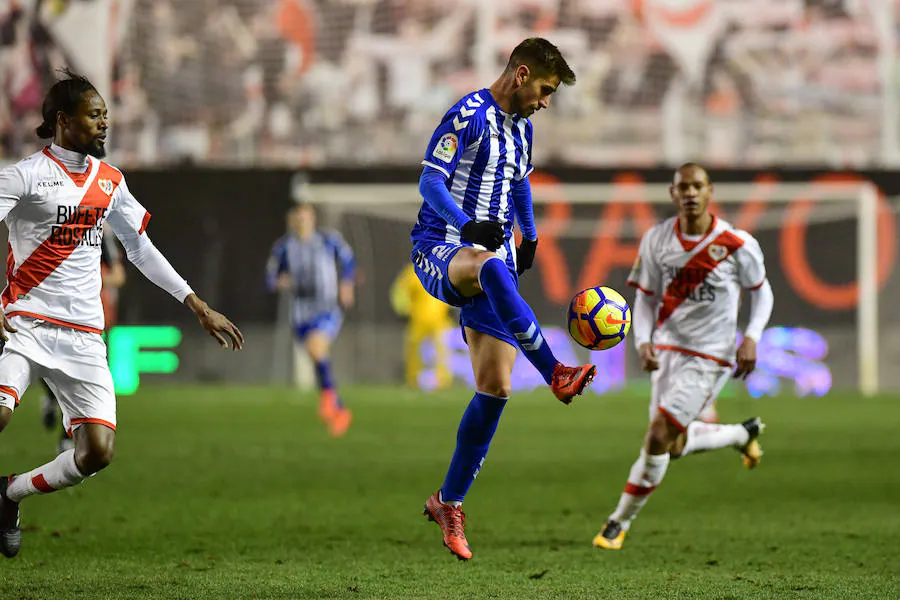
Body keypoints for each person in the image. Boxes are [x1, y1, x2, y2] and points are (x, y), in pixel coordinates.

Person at [0, 70, 243, 559]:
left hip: (86, 337)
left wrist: (196, 304)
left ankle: (8, 494)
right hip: (25, 325)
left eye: (106, 115)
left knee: (97, 454)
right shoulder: (23, 175)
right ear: (64, 121)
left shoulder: (110, 183)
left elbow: (141, 249)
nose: (104, 124)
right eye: (95, 116)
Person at [412, 37, 597, 561]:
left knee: (494, 389)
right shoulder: (467, 114)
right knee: (490, 263)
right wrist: (466, 223)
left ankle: (448, 502)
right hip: (443, 246)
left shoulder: (523, 129)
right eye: (544, 89)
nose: (545, 100)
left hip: (495, 258)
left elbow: (518, 185)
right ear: (520, 74)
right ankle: (557, 371)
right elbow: (430, 183)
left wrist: (531, 234)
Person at [592, 163, 774, 551]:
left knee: (658, 435)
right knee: (671, 446)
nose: (690, 193)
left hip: (711, 357)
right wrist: (642, 342)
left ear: (710, 191)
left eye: (697, 186)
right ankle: (742, 434)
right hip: (667, 351)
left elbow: (762, 293)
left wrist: (753, 338)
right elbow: (643, 298)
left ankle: (617, 522)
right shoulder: (656, 240)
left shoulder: (737, 244)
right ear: (672, 194)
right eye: (682, 187)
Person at [266, 202, 355, 437]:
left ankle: (328, 400)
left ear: (313, 219)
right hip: (300, 313)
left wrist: (346, 283)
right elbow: (270, 276)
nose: (302, 222)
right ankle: (338, 410)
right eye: (299, 218)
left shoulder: (328, 239)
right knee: (317, 358)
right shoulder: (284, 247)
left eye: (306, 218)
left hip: (327, 308)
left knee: (317, 348)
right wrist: (279, 281)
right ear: (292, 221)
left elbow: (348, 260)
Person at [40, 230, 126, 454]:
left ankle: (67, 437)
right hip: (55, 313)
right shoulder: (55, 225)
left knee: (81, 379)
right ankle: (51, 399)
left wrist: (87, 278)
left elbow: (118, 276)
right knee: (49, 366)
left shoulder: (99, 234)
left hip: (90, 321)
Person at [390, 262, 452, 390]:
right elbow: (400, 291)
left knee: (442, 349)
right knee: (413, 348)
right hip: (418, 318)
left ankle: (443, 381)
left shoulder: (444, 269)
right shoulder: (412, 272)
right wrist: (404, 309)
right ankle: (412, 380)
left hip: (440, 318)